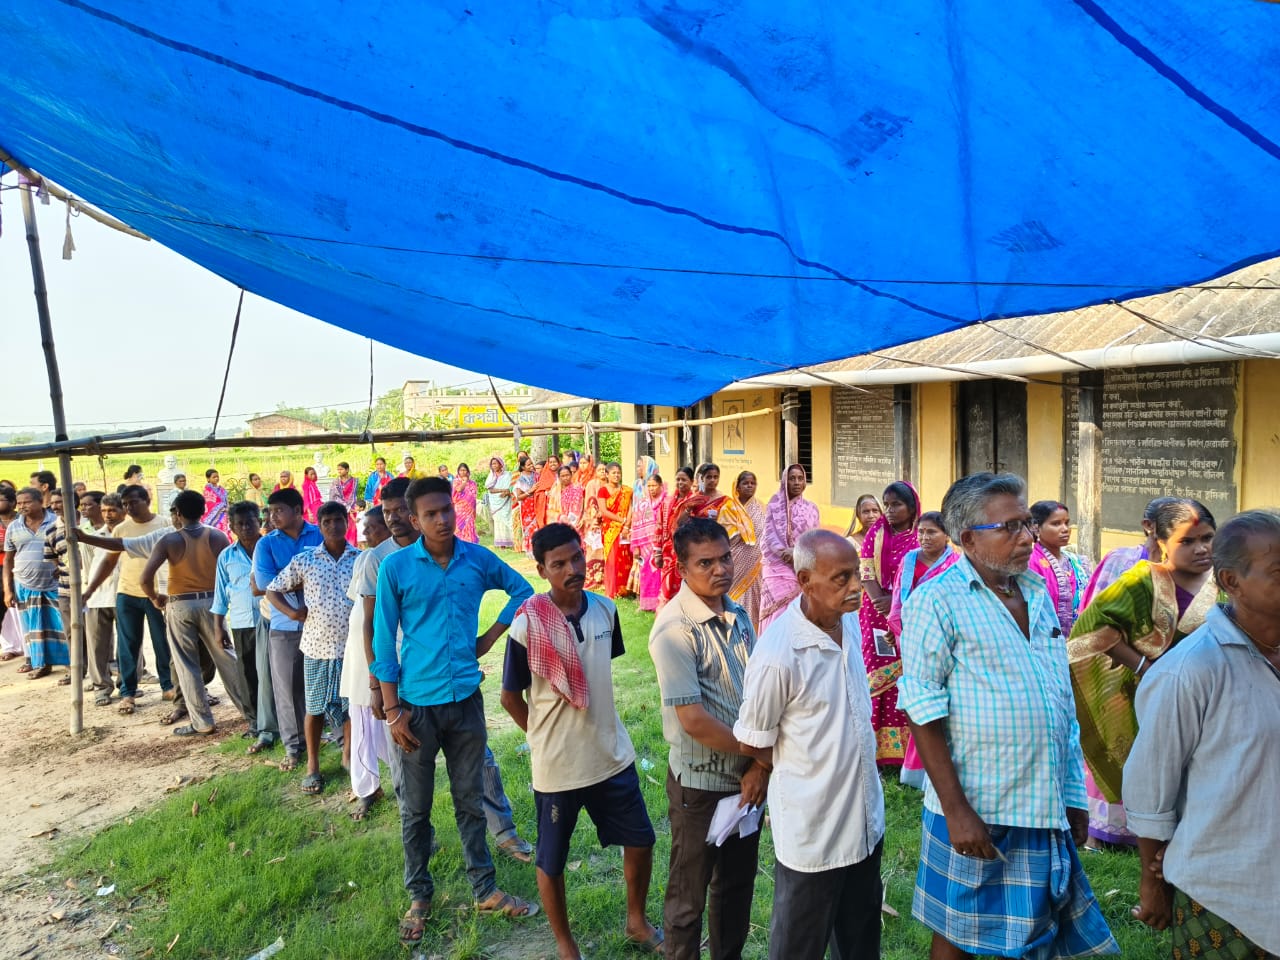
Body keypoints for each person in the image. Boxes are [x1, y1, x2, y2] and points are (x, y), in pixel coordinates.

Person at [899, 472, 1118, 960]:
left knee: (1036, 929)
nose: (1027, 537)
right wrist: (957, 811)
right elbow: (922, 709)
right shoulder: (936, 601)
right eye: (1011, 527)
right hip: (979, 803)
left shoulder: (1036, 594)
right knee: (957, 927)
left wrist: (1072, 794)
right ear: (969, 538)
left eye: (1027, 524)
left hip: (1040, 799)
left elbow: (1058, 704)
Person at [371, 476, 537, 944]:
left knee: (470, 801)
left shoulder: (477, 559)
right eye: (431, 514)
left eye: (447, 509)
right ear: (414, 519)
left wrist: (488, 638)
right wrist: (392, 709)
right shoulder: (397, 568)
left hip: (465, 701)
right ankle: (419, 896)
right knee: (415, 809)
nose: (442, 519)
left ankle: (484, 888)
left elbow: (523, 590)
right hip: (415, 709)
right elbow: (383, 640)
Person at [500, 523, 661, 960]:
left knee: (641, 840)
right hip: (558, 768)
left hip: (611, 755)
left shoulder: (606, 610)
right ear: (541, 570)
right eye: (558, 564)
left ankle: (637, 922)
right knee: (551, 860)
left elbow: (597, 670)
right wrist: (541, 736)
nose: (572, 569)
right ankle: (566, 945)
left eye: (576, 558)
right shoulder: (527, 624)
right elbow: (510, 697)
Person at [1124, 510, 1280, 960]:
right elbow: (1151, 789)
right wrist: (1153, 881)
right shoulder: (1191, 670)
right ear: (1231, 581)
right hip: (1224, 895)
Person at [734, 529, 884, 960]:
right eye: (841, 578)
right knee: (799, 946)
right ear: (804, 581)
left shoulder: (848, 620)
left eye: (856, 574)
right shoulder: (779, 654)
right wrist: (773, 768)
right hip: (814, 832)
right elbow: (753, 739)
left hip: (865, 820)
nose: (855, 586)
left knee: (860, 944)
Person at [1067, 498, 1218, 849]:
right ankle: (1129, 833)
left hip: (1207, 694)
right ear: (1161, 542)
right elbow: (1093, 629)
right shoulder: (1141, 580)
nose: (1201, 549)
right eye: (1187, 541)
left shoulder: (1224, 580)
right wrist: (1144, 667)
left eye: (1207, 538)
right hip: (1140, 691)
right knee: (1144, 758)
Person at [650, 518, 763, 960]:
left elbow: (761, 695)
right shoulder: (674, 629)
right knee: (688, 896)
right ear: (682, 569)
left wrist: (759, 767)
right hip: (700, 785)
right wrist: (759, 753)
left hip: (747, 782)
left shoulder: (739, 615)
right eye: (705, 563)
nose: (720, 569)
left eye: (725, 558)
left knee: (736, 890)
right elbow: (694, 721)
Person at [141, 490, 255, 737]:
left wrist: (154, 597)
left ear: (178, 513)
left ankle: (202, 722)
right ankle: (252, 713)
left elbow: (145, 578)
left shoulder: (169, 540)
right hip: (212, 602)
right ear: (204, 511)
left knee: (186, 665)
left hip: (180, 603)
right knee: (227, 659)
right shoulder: (216, 536)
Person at [266, 501, 358, 793]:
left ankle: (348, 757)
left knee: (351, 708)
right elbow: (272, 589)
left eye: (338, 520)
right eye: (327, 522)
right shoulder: (306, 560)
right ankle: (313, 766)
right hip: (316, 647)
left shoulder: (360, 559)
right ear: (319, 526)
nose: (333, 526)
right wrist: (293, 613)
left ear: (347, 522)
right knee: (314, 709)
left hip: (351, 649)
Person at [81, 484, 174, 713]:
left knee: (162, 641)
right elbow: (109, 561)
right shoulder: (121, 529)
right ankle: (128, 693)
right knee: (128, 644)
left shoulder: (164, 524)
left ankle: (168, 686)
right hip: (127, 592)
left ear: (147, 500)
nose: (129, 507)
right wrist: (91, 589)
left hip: (158, 595)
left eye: (133, 502)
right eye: (125, 504)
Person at [253, 487, 324, 770]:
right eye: (270, 512)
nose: (273, 517)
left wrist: (289, 580)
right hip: (284, 625)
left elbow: (333, 570)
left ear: (297, 510)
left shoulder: (319, 534)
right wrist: (304, 582)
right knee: (287, 688)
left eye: (279, 510)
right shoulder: (266, 544)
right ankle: (293, 747)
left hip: (323, 624)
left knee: (323, 682)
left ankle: (330, 736)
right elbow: (265, 584)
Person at [886, 510, 958, 789]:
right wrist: (901, 632)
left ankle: (936, 769)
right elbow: (897, 602)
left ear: (947, 535)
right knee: (917, 698)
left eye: (932, 532)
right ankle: (915, 769)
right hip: (909, 638)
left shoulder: (955, 564)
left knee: (939, 701)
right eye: (921, 532)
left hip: (942, 640)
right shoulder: (909, 560)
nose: (925, 538)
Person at [858, 480, 921, 766]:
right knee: (876, 673)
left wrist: (898, 606)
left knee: (909, 672)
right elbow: (866, 570)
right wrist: (881, 602)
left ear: (911, 507)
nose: (890, 510)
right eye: (887, 504)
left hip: (911, 615)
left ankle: (909, 750)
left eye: (897, 504)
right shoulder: (877, 532)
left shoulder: (920, 536)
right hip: (876, 614)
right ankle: (878, 750)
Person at [212, 501, 278, 754]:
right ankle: (255, 722)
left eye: (250, 522)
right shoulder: (227, 556)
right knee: (248, 673)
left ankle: (279, 719)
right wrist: (218, 627)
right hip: (242, 622)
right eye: (239, 524)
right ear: (231, 527)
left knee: (275, 672)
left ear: (258, 522)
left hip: (272, 619)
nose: (246, 527)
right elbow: (220, 594)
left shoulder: (270, 547)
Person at [3, 487, 65, 679]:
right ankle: (40, 664)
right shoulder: (14, 527)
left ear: (40, 502)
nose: (22, 506)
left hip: (54, 584)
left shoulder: (56, 522)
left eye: (27, 502)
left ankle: (70, 665)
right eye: (20, 503)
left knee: (60, 625)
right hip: (24, 584)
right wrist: (8, 589)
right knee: (32, 627)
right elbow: (8, 560)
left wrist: (62, 567)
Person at [1079, 496, 1178, 609]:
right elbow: (1098, 609)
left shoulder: (1182, 566)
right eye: (1172, 524)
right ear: (1148, 525)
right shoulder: (1120, 560)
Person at [759, 464, 820, 633]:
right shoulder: (774, 505)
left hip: (802, 567)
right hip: (776, 568)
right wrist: (785, 553)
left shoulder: (811, 509)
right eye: (792, 478)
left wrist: (797, 553)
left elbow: (815, 539)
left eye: (800, 478)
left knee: (799, 614)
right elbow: (769, 535)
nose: (797, 482)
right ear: (785, 481)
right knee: (776, 616)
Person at [1027, 500, 1092, 637]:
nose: (1065, 529)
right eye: (1056, 524)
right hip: (1045, 640)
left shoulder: (1078, 562)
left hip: (1079, 639)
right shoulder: (1031, 563)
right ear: (1036, 528)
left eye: (1066, 523)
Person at [82, 491, 121, 703]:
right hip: (98, 597)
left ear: (123, 511)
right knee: (97, 646)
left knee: (128, 644)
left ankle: (127, 685)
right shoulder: (92, 538)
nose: (107, 515)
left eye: (112, 510)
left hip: (125, 595)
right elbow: (87, 569)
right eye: (104, 510)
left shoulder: (131, 535)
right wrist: (87, 593)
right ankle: (101, 687)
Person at [719, 471, 765, 631]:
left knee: (757, 597)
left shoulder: (761, 508)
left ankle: (754, 633)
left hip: (757, 565)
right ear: (737, 487)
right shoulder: (728, 509)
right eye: (745, 483)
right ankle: (734, 630)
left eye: (753, 483)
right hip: (736, 563)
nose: (750, 486)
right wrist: (741, 529)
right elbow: (724, 535)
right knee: (734, 596)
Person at [655, 466, 696, 608]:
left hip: (687, 552)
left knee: (686, 585)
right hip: (668, 554)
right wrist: (658, 553)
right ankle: (666, 616)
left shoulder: (695, 502)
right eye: (678, 479)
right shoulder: (667, 502)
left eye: (684, 480)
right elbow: (659, 527)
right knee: (666, 588)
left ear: (692, 481)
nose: (680, 482)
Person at [629, 471, 666, 612]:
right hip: (645, 546)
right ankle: (646, 604)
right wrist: (636, 547)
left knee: (660, 574)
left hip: (661, 545)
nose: (651, 489)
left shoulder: (665, 502)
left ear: (661, 486)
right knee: (646, 574)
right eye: (649, 486)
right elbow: (635, 525)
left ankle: (660, 603)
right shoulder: (642, 505)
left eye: (654, 485)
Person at [595, 462, 633, 600]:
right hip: (610, 530)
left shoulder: (627, 491)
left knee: (625, 556)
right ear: (607, 474)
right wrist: (621, 520)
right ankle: (612, 590)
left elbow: (630, 508)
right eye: (613, 473)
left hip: (625, 529)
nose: (616, 475)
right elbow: (604, 511)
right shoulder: (603, 490)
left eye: (618, 473)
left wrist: (627, 524)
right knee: (612, 559)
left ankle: (625, 590)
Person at [484, 456, 515, 549]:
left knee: (508, 520)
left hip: (506, 501)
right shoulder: (491, 476)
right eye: (492, 464)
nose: (494, 465)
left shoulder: (508, 474)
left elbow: (512, 487)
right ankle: (502, 544)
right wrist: (502, 490)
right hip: (495, 502)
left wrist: (507, 492)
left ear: (501, 464)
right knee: (498, 521)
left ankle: (512, 542)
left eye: (496, 463)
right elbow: (490, 489)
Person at [512, 457, 542, 553]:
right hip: (527, 507)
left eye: (531, 463)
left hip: (539, 504)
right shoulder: (520, 480)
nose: (532, 466)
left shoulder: (538, 476)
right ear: (523, 467)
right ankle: (531, 550)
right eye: (528, 464)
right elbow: (519, 497)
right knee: (530, 528)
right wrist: (530, 491)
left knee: (539, 526)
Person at [327, 462, 360, 547]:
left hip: (352, 509)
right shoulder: (336, 482)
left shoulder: (354, 481)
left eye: (341, 469)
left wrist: (352, 507)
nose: (339, 471)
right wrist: (347, 507)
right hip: (340, 510)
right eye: (338, 469)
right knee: (341, 528)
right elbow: (335, 497)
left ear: (347, 470)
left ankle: (352, 548)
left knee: (352, 530)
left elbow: (354, 495)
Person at [548, 464, 585, 530]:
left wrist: (583, 518)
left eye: (567, 475)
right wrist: (560, 516)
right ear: (559, 477)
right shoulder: (555, 491)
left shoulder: (578, 489)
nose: (565, 478)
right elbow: (550, 510)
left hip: (577, 523)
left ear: (571, 475)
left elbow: (584, 506)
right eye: (563, 476)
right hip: (560, 524)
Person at [451, 463, 479, 544]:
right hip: (460, 508)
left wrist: (473, 508)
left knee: (469, 524)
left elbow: (474, 496)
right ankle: (459, 543)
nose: (463, 472)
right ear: (458, 471)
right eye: (461, 470)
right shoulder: (456, 481)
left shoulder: (473, 483)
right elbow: (459, 489)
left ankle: (470, 542)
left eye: (464, 470)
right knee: (459, 525)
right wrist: (464, 482)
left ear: (467, 471)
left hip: (470, 509)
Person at [201, 469, 230, 535]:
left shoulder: (221, 489)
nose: (216, 478)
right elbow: (208, 503)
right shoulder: (208, 490)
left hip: (224, 514)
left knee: (224, 532)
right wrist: (222, 507)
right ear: (208, 479)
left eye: (217, 476)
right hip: (215, 516)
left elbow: (226, 500)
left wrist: (228, 508)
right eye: (214, 477)